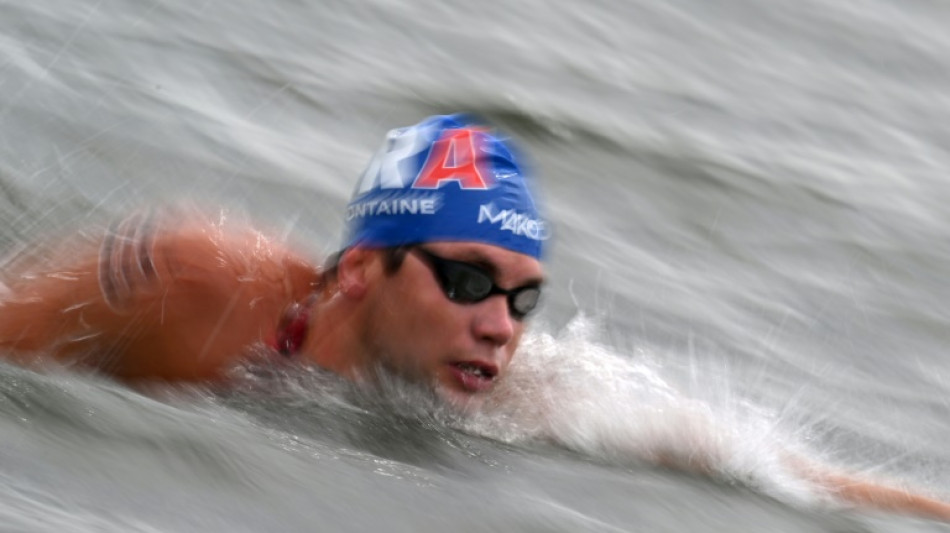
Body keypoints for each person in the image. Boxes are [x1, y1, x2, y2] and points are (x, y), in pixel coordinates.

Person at [0, 114, 947, 521]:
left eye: (522, 295)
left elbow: (781, 470)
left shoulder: (528, 391)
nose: (501, 324)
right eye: (466, 280)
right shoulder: (191, 277)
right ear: (365, 268)